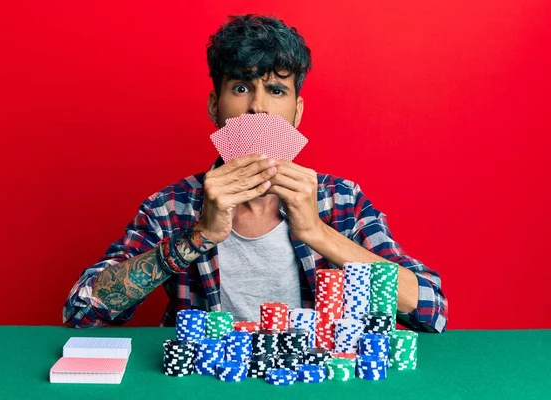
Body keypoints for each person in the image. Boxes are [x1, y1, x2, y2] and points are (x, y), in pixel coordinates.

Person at [63, 14, 448, 333]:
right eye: (242, 87)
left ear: (297, 112)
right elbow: (80, 310)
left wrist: (316, 231)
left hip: (308, 379)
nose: (258, 109)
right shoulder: (170, 207)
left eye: (276, 91)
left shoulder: (340, 200)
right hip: (205, 383)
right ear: (215, 106)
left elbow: (431, 310)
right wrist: (197, 237)